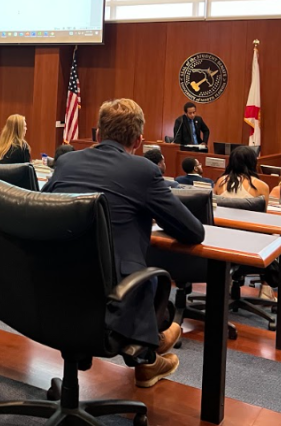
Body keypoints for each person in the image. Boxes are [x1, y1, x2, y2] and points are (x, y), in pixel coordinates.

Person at [43, 98, 205, 388]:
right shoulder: (143, 171)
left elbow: (39, 208)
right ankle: (148, 348)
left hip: (56, 285)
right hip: (110, 295)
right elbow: (193, 232)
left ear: (96, 135)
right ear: (139, 141)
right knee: (141, 275)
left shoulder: (66, 162)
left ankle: (149, 352)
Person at [213, 146, 273, 299]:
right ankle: (266, 288)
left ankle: (228, 279)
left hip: (221, 241)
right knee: (277, 238)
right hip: (250, 243)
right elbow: (263, 218)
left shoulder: (220, 182)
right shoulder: (261, 186)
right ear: (252, 162)